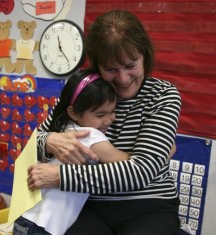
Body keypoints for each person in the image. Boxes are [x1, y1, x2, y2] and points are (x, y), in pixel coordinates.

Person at [28, 10, 182, 235]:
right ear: (97, 65)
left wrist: (60, 177)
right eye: (110, 69)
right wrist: (50, 140)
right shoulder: (83, 91)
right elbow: (34, 145)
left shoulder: (163, 95)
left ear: (145, 56)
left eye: (131, 65)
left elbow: (140, 172)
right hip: (87, 204)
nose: (122, 79)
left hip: (149, 204)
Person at [13, 69, 130, 235]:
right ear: (73, 112)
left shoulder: (61, 128)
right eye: (101, 114)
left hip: (24, 218)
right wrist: (164, 151)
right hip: (44, 228)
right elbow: (127, 162)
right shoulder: (90, 136)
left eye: (112, 111)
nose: (110, 120)